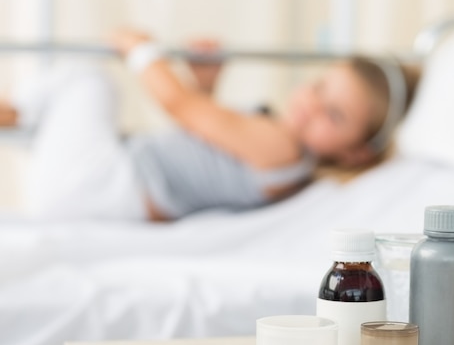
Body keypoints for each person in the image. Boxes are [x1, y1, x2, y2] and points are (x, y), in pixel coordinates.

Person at [0, 29, 419, 222]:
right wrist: (207, 87)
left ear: (356, 152)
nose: (311, 105)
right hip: (100, 185)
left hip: (102, 181)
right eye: (319, 86)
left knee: (88, 79)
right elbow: (209, 148)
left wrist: (143, 52)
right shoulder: (284, 152)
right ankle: (18, 114)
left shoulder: (284, 149)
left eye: (334, 115)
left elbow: (178, 105)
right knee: (50, 116)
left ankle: (16, 111)